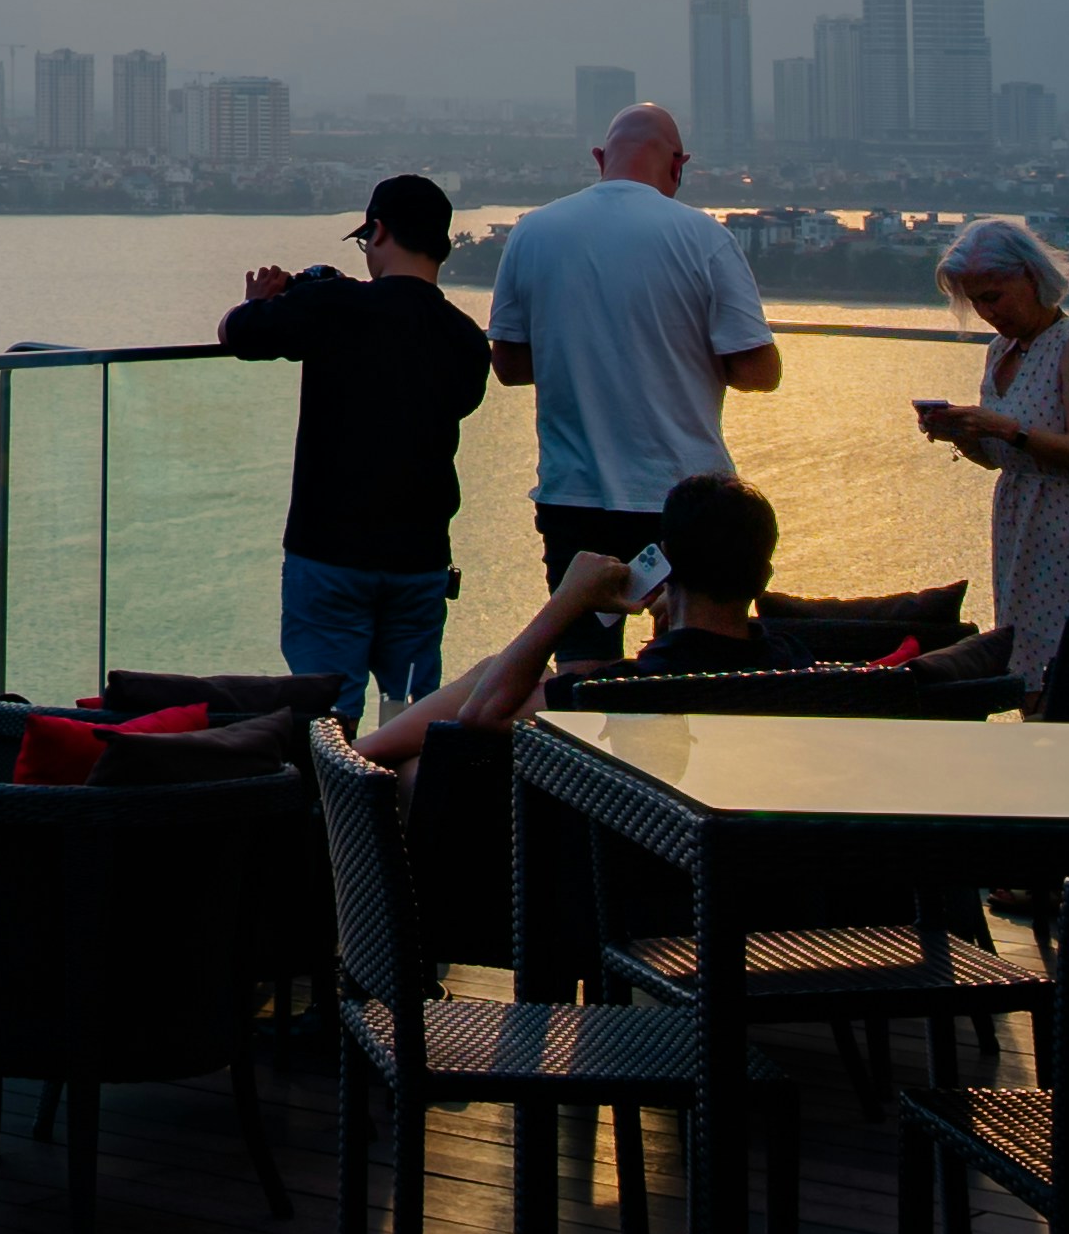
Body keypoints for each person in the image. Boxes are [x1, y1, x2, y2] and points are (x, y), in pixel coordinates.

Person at [482, 106, 783, 621]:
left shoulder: (532, 232)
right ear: (678, 165)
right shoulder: (705, 238)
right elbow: (760, 372)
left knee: (581, 657)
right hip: (683, 501)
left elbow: (509, 366)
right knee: (688, 653)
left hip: (573, 496)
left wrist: (580, 358)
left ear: (600, 158)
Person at [221, 172, 495, 716]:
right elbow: (459, 404)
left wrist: (258, 302)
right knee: (411, 708)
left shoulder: (333, 306)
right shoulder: (465, 337)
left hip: (329, 552)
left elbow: (238, 333)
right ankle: (406, 794)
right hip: (420, 559)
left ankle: (336, 800)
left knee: (327, 713)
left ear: (380, 231)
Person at [354, 471, 786, 762]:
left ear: (667, 561)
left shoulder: (630, 690)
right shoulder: (792, 667)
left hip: (621, 866)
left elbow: (482, 713)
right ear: (762, 575)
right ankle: (356, 755)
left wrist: (569, 598)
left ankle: (350, 761)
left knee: (425, 759)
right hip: (753, 860)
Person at [914, 214, 1069, 678]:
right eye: (976, 302)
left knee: (1062, 659)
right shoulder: (1001, 350)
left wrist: (1006, 429)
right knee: (1019, 650)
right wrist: (966, 435)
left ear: (1031, 278)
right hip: (1017, 514)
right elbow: (999, 459)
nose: (988, 312)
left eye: (993, 297)